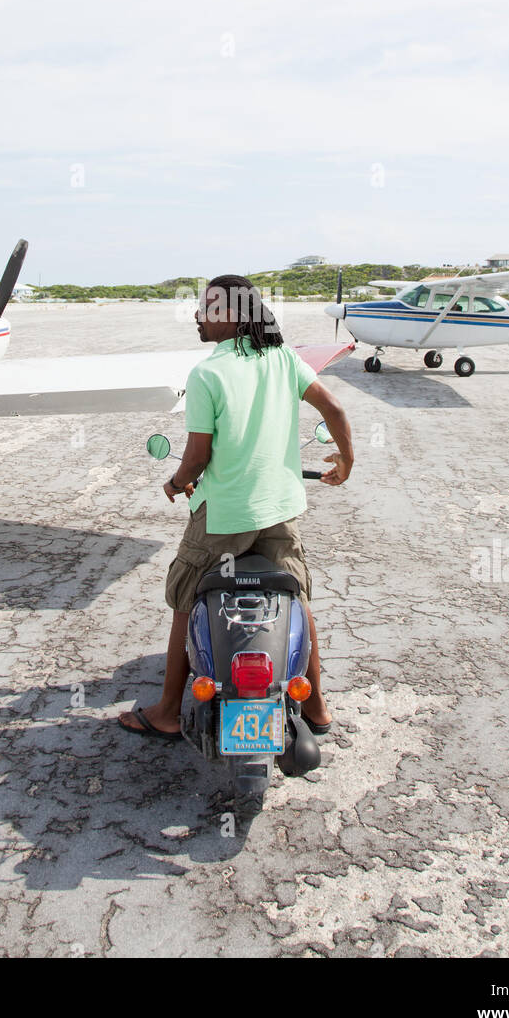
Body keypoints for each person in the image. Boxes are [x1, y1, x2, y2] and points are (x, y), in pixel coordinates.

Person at [119, 274, 353, 740]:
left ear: (233, 315)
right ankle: (318, 708)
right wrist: (346, 460)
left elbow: (198, 456)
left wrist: (177, 482)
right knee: (297, 599)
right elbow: (335, 410)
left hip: (224, 516)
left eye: (207, 307)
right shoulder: (284, 359)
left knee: (188, 599)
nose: (198, 315)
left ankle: (168, 711)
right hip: (280, 510)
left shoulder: (208, 373)